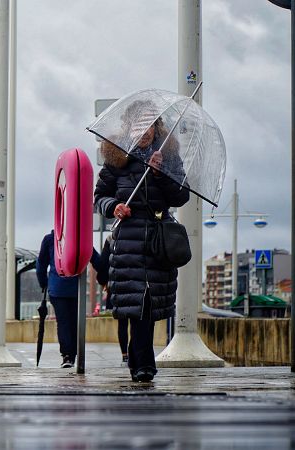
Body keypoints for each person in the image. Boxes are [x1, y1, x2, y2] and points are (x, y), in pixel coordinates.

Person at [94, 102, 189, 382]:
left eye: (149, 125)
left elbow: (180, 197)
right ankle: (144, 364)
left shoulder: (168, 156)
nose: (144, 131)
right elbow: (98, 196)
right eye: (138, 125)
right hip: (128, 239)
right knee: (138, 303)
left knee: (149, 304)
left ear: (156, 126)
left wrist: (160, 173)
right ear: (129, 126)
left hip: (158, 239)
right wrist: (114, 206)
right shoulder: (116, 158)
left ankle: (139, 362)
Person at [35, 230, 100, 368]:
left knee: (63, 322)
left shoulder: (49, 239)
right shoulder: (81, 237)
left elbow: (41, 264)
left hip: (57, 288)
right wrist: (105, 276)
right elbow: (96, 259)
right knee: (75, 322)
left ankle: (67, 356)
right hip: (77, 288)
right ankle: (72, 354)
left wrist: (44, 283)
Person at [96, 234, 128, 363]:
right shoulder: (143, 230)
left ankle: (125, 354)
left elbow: (103, 264)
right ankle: (138, 353)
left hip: (118, 285)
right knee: (139, 322)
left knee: (123, 322)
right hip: (139, 283)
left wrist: (104, 282)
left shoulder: (111, 238)